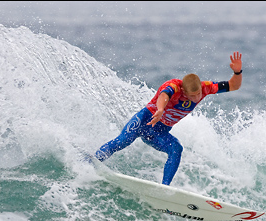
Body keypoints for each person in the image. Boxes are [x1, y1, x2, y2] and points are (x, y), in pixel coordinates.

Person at [94, 52, 243, 186]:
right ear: (184, 91)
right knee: (121, 141)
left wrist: (237, 72)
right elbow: (164, 95)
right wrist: (160, 109)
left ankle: (164, 188)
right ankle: (92, 162)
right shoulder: (174, 86)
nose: (197, 97)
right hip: (145, 120)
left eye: (198, 94)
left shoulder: (205, 88)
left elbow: (233, 86)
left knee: (176, 149)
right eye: (192, 95)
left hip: (159, 132)